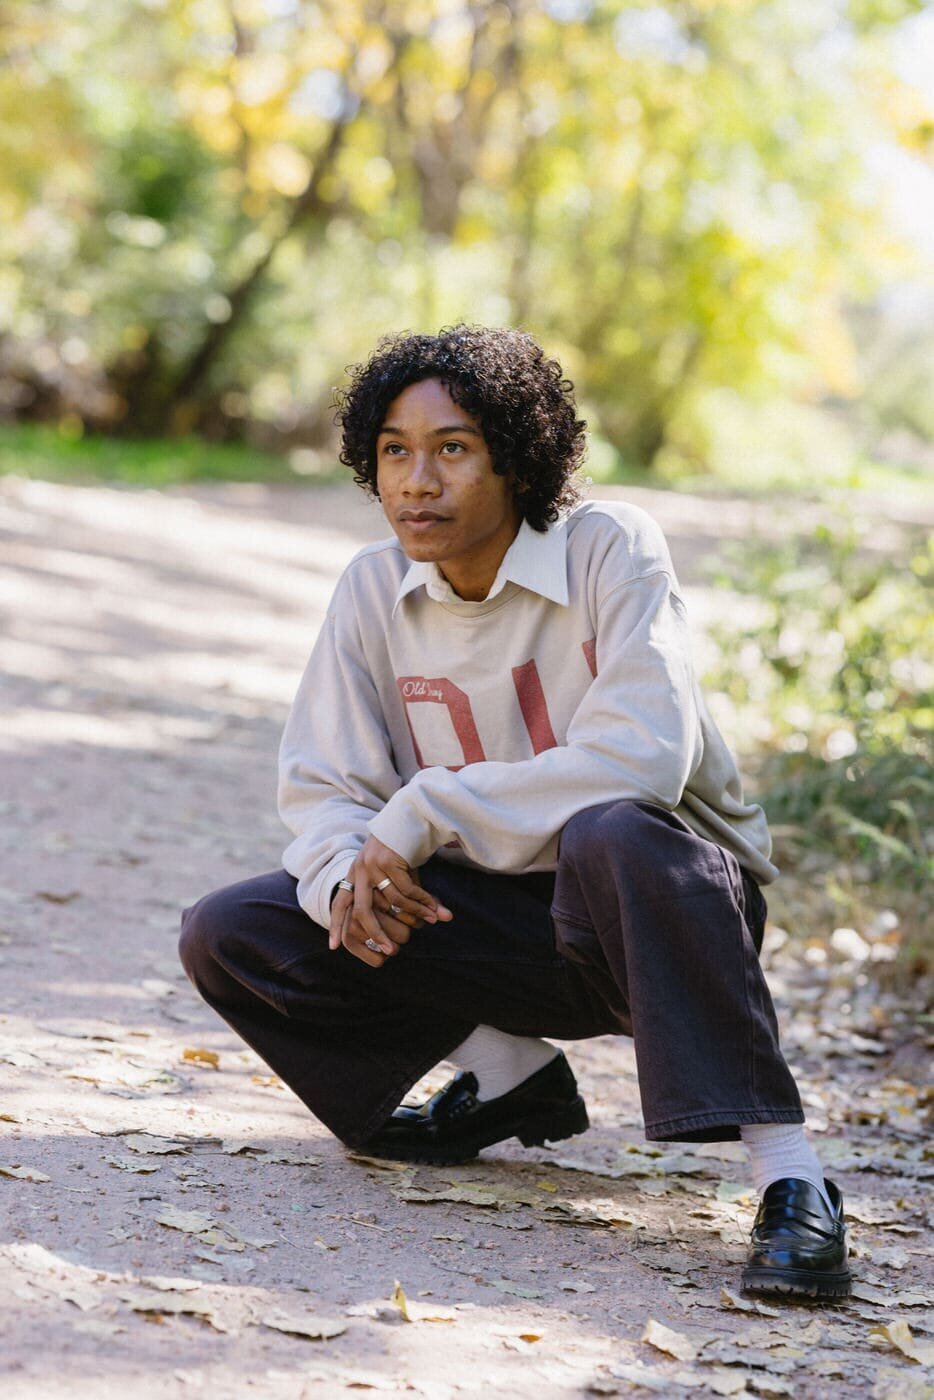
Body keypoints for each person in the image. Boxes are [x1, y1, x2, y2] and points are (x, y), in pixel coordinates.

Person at [179, 325, 850, 1302]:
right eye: (395, 452)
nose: (417, 481)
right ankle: (509, 1073)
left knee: (611, 826)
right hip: (490, 922)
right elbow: (325, 787)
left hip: (656, 909)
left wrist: (425, 805)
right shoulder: (372, 591)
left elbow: (640, 759)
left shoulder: (609, 549)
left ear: (517, 457)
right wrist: (346, 878)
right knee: (234, 927)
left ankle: (791, 1177)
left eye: (452, 448)